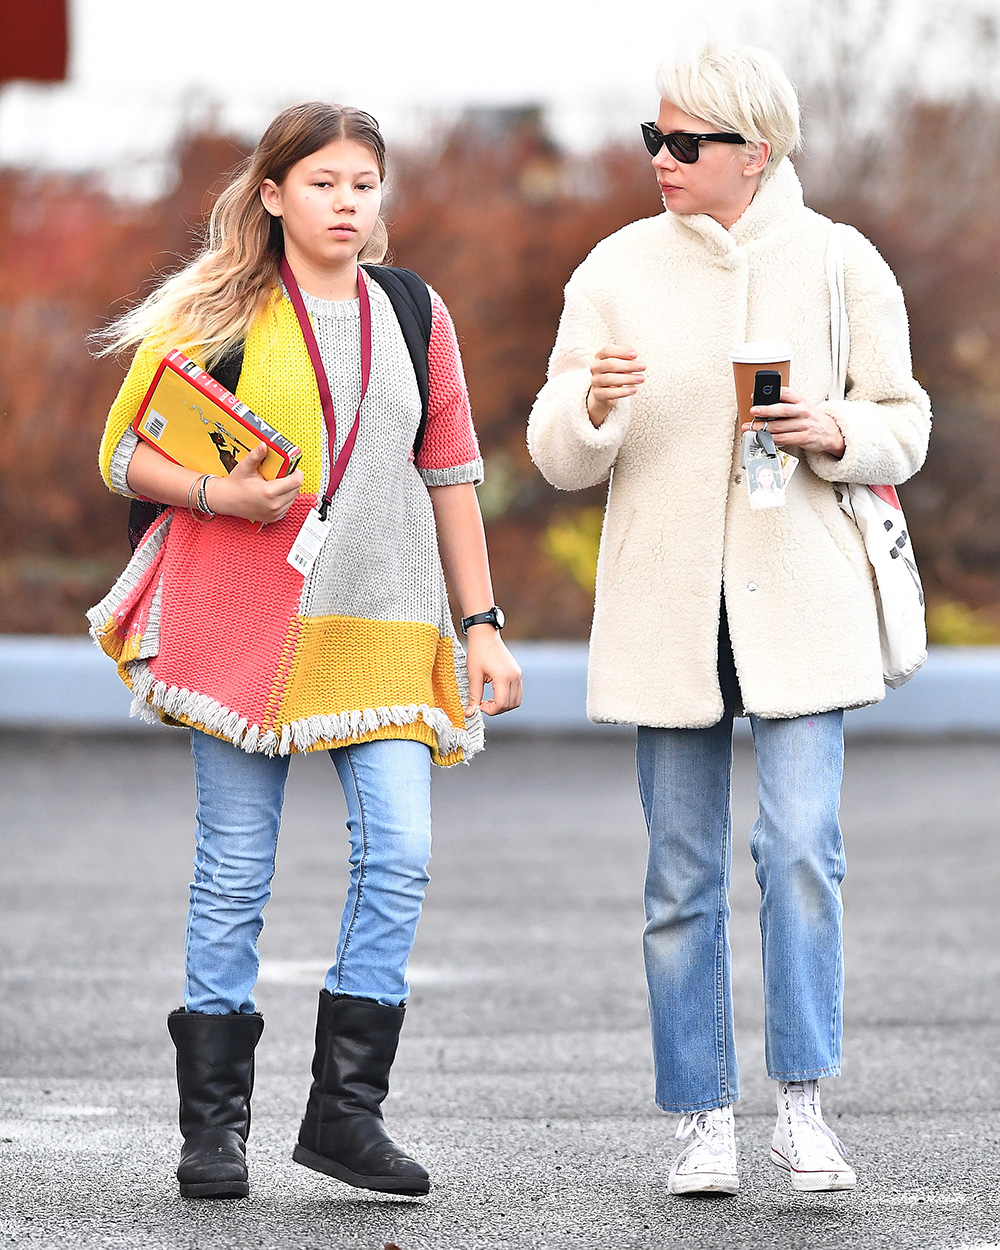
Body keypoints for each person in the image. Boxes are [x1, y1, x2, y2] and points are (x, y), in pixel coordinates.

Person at [90, 102, 521, 1201]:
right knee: (234, 876)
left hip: (383, 622)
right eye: (324, 181)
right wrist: (219, 493)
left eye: (364, 184)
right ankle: (214, 1132)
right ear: (274, 192)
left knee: (403, 852)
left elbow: (452, 474)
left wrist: (481, 627)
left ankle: (345, 1113)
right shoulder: (220, 307)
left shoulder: (413, 311)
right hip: (244, 628)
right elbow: (124, 453)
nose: (347, 202)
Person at [527, 47, 930, 1196]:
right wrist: (591, 408)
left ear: (754, 150)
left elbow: (906, 423)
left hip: (800, 604)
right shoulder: (611, 268)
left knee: (802, 850)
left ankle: (802, 1104)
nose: (660, 159)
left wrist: (832, 427)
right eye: (651, 138)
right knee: (679, 875)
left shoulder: (842, 261)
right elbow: (554, 453)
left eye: (684, 142)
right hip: (668, 609)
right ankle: (701, 1113)